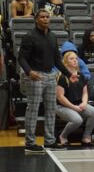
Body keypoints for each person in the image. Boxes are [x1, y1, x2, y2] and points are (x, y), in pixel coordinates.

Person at [18, 9, 77, 153]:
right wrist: (29, 71)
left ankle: (50, 141)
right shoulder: (29, 37)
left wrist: (68, 75)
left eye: (47, 17)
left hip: (51, 76)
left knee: (51, 110)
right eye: (42, 17)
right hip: (35, 76)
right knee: (33, 109)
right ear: (36, 19)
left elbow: (57, 59)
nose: (45, 19)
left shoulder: (52, 36)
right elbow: (21, 58)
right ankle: (30, 142)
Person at [55, 51, 94, 146]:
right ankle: (63, 136)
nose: (75, 60)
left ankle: (86, 137)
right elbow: (60, 97)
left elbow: (85, 92)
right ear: (65, 62)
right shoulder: (62, 76)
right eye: (71, 58)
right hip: (62, 106)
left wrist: (84, 102)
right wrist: (74, 108)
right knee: (77, 120)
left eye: (76, 58)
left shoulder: (81, 75)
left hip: (78, 104)